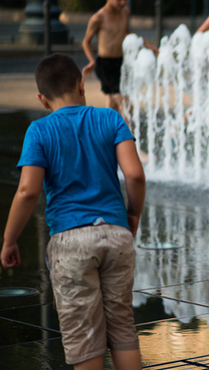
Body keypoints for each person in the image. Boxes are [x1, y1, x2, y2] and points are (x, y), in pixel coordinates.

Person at [1, 54, 146, 370]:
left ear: (41, 99)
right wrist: (132, 214)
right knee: (122, 329)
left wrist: (10, 239)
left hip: (71, 241)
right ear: (82, 84)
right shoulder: (110, 118)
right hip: (116, 235)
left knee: (85, 340)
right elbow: (134, 174)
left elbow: (28, 191)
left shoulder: (39, 131)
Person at [82, 0, 158, 113]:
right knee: (126, 105)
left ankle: (107, 129)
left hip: (120, 62)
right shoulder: (98, 18)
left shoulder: (125, 12)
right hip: (105, 65)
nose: (122, 3)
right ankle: (130, 129)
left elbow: (126, 32)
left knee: (113, 106)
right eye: (119, 0)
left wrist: (147, 44)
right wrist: (92, 61)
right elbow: (86, 42)